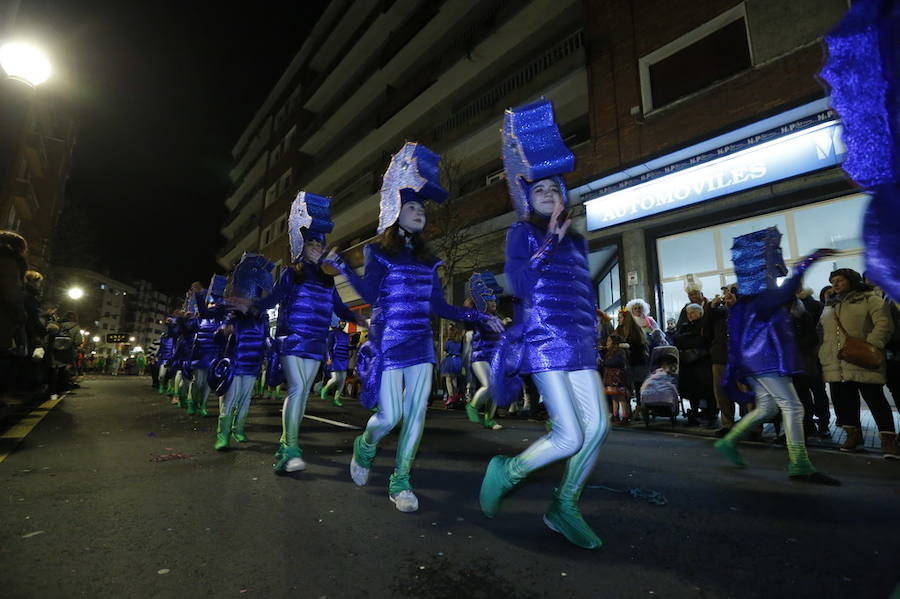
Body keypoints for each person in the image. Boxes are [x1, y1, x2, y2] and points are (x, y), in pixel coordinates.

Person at [325, 142, 502, 513]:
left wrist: (478, 316)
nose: (419, 212)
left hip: (421, 344)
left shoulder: (429, 260)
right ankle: (365, 446)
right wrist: (343, 267)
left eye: (421, 207)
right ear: (395, 211)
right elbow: (369, 294)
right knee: (389, 417)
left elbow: (438, 306)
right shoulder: (378, 252)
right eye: (411, 206)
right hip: (389, 343)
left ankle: (401, 479)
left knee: (417, 414)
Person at [479, 100, 609, 549]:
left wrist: (594, 329)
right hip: (544, 340)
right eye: (540, 191)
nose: (550, 194)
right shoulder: (523, 233)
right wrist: (547, 242)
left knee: (598, 428)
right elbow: (518, 283)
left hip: (578, 342)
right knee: (569, 435)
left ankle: (564, 506)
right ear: (527, 199)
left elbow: (583, 292)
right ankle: (508, 472)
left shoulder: (578, 240)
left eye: (555, 188)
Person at [714, 227, 840, 485]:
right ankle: (800, 463)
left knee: (768, 407)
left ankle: (730, 441)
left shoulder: (749, 302)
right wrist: (810, 259)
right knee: (792, 407)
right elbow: (789, 288)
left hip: (757, 363)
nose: (775, 270)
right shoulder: (762, 299)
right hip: (766, 361)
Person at [247, 192, 360, 472]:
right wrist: (251, 306)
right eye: (311, 243)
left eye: (320, 244)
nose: (316, 247)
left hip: (315, 341)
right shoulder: (291, 273)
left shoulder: (327, 280)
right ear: (303, 247)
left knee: (303, 392)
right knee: (297, 388)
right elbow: (273, 299)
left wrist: (361, 319)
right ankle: (292, 448)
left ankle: (286, 444)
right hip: (292, 338)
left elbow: (340, 308)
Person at [819, 268, 896, 458]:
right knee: (845, 402)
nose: (835, 284)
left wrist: (870, 345)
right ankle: (853, 437)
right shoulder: (831, 304)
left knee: (875, 400)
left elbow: (884, 324)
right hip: (838, 361)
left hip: (862, 359)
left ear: (852, 280)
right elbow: (824, 331)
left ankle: (889, 440)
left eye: (840, 280)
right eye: (833, 281)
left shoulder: (870, 299)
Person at [214, 253, 274, 451]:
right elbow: (218, 337)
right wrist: (223, 331)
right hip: (234, 363)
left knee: (245, 400)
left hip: (252, 364)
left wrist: (267, 356)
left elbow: (266, 337)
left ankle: (238, 429)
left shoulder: (262, 316)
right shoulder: (231, 314)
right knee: (229, 401)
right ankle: (223, 436)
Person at [464, 271, 504, 430]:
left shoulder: (497, 319)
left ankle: (489, 419)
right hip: (480, 357)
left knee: (495, 388)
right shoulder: (479, 317)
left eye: (494, 300)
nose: (493, 302)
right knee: (488, 385)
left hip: (494, 358)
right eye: (490, 299)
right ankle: (472, 406)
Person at [189, 276, 227, 417]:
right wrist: (199, 295)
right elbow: (203, 313)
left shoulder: (222, 315)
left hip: (214, 354)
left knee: (208, 383)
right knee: (198, 382)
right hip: (201, 353)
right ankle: (192, 402)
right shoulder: (202, 316)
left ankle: (203, 405)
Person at [673, 303, 716, 427]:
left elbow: (703, 341)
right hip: (688, 363)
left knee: (707, 390)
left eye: (692, 312)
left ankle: (711, 416)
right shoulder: (685, 326)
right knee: (691, 391)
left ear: (700, 313)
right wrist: (693, 336)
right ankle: (694, 415)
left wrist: (687, 340)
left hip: (702, 363)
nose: (690, 315)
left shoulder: (705, 325)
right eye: (688, 313)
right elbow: (676, 340)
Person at [601, 334, 631, 424]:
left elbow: (617, 362)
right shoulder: (610, 351)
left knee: (621, 397)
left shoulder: (619, 352)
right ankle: (615, 415)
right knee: (614, 397)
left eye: (609, 341)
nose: (607, 343)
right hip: (612, 378)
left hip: (618, 378)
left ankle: (625, 416)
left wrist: (604, 362)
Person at [321, 320, 352, 407]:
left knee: (342, 380)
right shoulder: (332, 333)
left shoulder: (346, 335)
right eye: (342, 321)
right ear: (338, 322)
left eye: (345, 322)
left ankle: (336, 398)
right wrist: (329, 358)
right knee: (335, 379)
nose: (343, 323)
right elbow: (328, 347)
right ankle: (325, 388)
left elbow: (346, 347)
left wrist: (351, 348)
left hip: (344, 358)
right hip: (335, 358)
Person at [439, 323, 464, 408]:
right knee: (454, 379)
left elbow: (445, 352)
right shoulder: (459, 343)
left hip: (450, 361)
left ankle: (451, 396)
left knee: (448, 379)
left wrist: (442, 361)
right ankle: (455, 395)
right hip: (458, 360)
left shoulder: (448, 342)